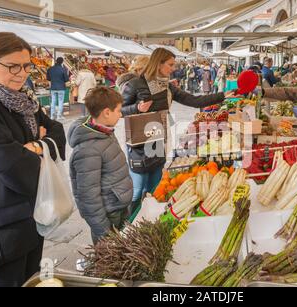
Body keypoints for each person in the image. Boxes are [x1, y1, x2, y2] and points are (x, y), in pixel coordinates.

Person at [0, 32, 66, 287]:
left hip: (34, 211)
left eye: (26, 65)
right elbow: (8, 162)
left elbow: (57, 131)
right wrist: (40, 150)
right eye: (12, 66)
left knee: (31, 279)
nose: (21, 72)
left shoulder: (27, 100)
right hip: (3, 221)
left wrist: (36, 146)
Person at [122, 48, 233, 204]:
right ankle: (126, 224)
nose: (173, 68)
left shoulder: (168, 87)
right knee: (137, 190)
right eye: (170, 64)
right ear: (158, 64)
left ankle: (148, 216)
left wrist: (222, 95)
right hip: (139, 143)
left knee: (154, 188)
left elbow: (194, 101)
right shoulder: (135, 84)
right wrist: (136, 108)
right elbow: (118, 110)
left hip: (159, 140)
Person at [68, 87, 133, 244]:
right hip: (108, 214)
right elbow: (87, 196)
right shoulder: (88, 149)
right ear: (106, 112)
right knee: (109, 259)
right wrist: (103, 231)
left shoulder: (103, 131)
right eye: (118, 110)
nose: (121, 114)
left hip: (117, 205)